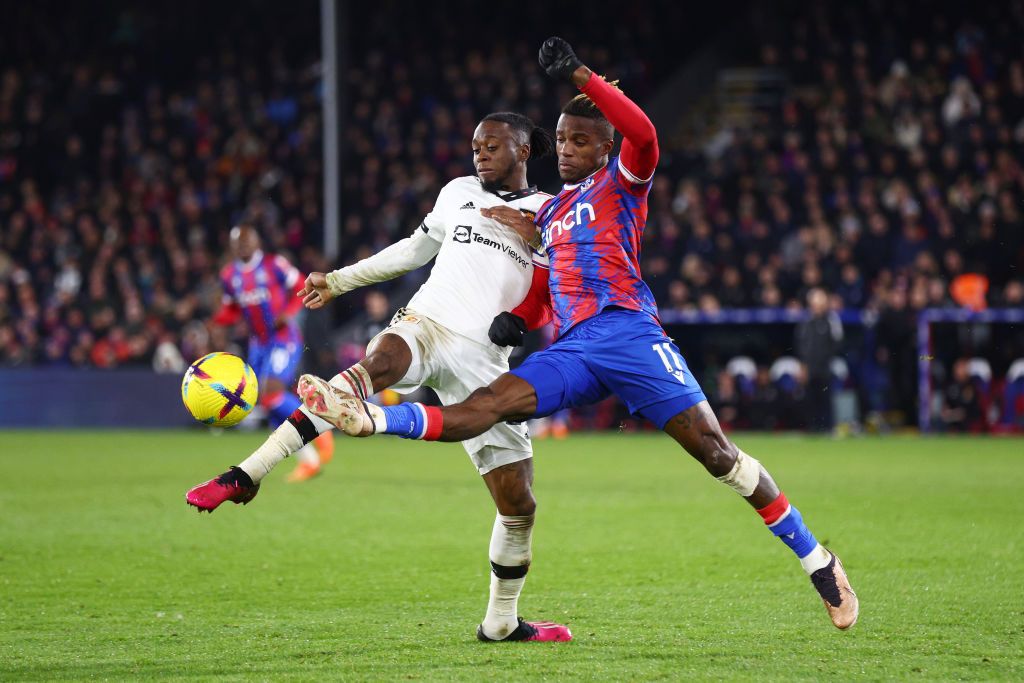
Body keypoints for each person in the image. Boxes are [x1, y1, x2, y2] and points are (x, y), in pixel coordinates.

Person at [299, 37, 859, 631]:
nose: (565, 150)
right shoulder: (551, 210)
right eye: (562, 139)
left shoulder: (624, 182)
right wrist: (522, 317)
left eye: (579, 140)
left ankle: (817, 559)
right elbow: (547, 285)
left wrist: (585, 78)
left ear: (603, 147)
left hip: (631, 337)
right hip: (576, 349)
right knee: (488, 406)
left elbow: (645, 134)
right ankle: (368, 418)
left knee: (719, 456)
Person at [187, 112, 572, 643]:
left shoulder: (551, 213)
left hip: (484, 360)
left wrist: (526, 319)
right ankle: (245, 473)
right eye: (475, 145)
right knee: (378, 364)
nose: (479, 153)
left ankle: (501, 622)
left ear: (525, 150)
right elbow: (413, 250)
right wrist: (340, 280)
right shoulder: (457, 191)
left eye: (492, 145)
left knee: (519, 505)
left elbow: (561, 288)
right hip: (426, 323)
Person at [207, 225, 334, 482]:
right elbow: (231, 309)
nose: (243, 245)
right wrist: (217, 321)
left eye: (247, 240)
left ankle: (320, 426)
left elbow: (301, 286)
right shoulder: (230, 275)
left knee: (271, 391)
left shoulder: (274, 265)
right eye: (238, 242)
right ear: (232, 247)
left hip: (284, 338)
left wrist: (288, 313)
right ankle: (308, 461)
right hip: (259, 344)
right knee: (265, 399)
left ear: (256, 242)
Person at [795, 287, 843, 431]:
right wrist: (803, 365)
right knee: (810, 399)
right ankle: (812, 428)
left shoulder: (831, 319)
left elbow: (838, 342)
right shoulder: (805, 321)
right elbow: (800, 344)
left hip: (825, 367)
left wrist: (826, 358)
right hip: (809, 367)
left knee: (825, 399)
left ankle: (828, 428)